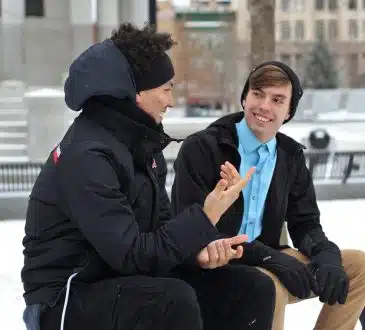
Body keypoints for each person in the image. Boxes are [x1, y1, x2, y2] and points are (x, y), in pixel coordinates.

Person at [21, 23, 275, 330]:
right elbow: (132, 255)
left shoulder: (141, 146)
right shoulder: (87, 156)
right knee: (171, 299)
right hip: (65, 298)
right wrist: (205, 217)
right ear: (134, 94)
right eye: (166, 88)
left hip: (124, 281)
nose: (171, 100)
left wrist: (197, 254)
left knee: (251, 288)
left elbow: (158, 234)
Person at [171, 60, 365, 330]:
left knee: (359, 268)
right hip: (217, 265)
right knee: (268, 286)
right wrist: (270, 258)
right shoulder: (203, 148)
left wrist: (327, 257)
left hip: (272, 259)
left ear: (288, 112)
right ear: (244, 98)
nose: (264, 106)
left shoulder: (289, 155)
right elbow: (190, 229)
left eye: (277, 100)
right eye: (258, 94)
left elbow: (305, 223)